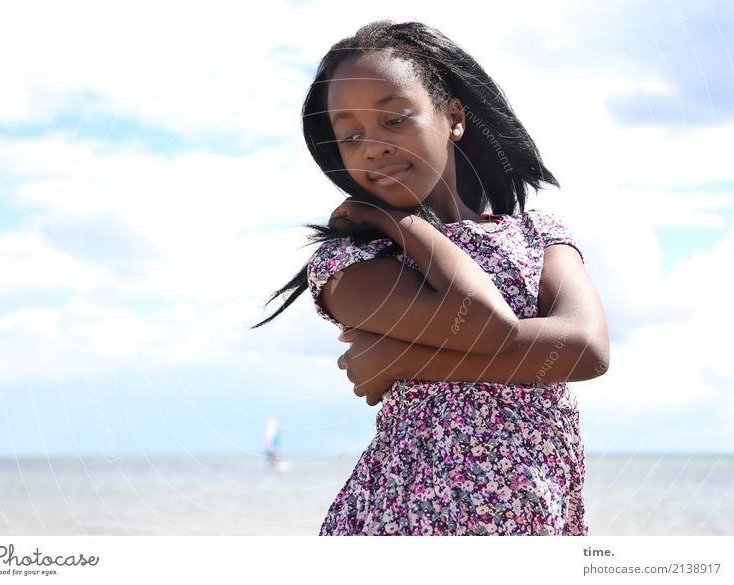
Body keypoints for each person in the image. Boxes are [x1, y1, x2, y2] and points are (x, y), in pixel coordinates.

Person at [251, 20, 610, 536]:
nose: (372, 146)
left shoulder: (539, 234)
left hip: (535, 513)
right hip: (404, 520)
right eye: (350, 135)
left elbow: (586, 350)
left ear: (454, 117)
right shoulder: (351, 261)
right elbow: (487, 323)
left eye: (394, 119)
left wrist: (403, 358)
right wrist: (400, 223)